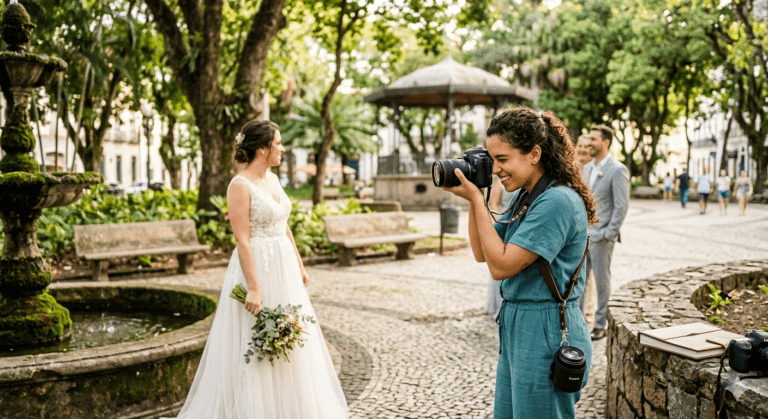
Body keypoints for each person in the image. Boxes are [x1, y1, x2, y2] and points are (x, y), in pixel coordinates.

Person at [164, 121, 349, 419]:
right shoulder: (239, 185)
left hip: (284, 267)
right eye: (278, 143)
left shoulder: (273, 179)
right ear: (262, 149)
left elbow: (284, 226)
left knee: (291, 331)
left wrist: (300, 266)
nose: (282, 148)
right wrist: (254, 286)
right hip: (257, 268)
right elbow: (242, 239)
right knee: (259, 337)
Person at [443, 106, 594, 418]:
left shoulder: (556, 201)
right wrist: (477, 198)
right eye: (491, 160)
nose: (496, 169)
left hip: (547, 326)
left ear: (534, 154)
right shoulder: (528, 196)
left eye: (502, 159)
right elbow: (482, 251)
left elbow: (500, 267)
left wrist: (475, 200)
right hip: (519, 322)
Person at [580, 124, 630, 340]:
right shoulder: (586, 168)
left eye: (593, 139)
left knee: (602, 283)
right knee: (579, 282)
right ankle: (578, 323)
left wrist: (609, 233)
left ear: (606, 142)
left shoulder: (618, 169)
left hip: (602, 237)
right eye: (588, 138)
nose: (589, 143)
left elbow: (621, 206)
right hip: (583, 236)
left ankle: (601, 325)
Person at [484, 176, 516, 315]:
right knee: (498, 262)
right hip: (504, 221)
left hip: (519, 223)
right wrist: (500, 221)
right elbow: (494, 203)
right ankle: (497, 303)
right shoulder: (500, 181)